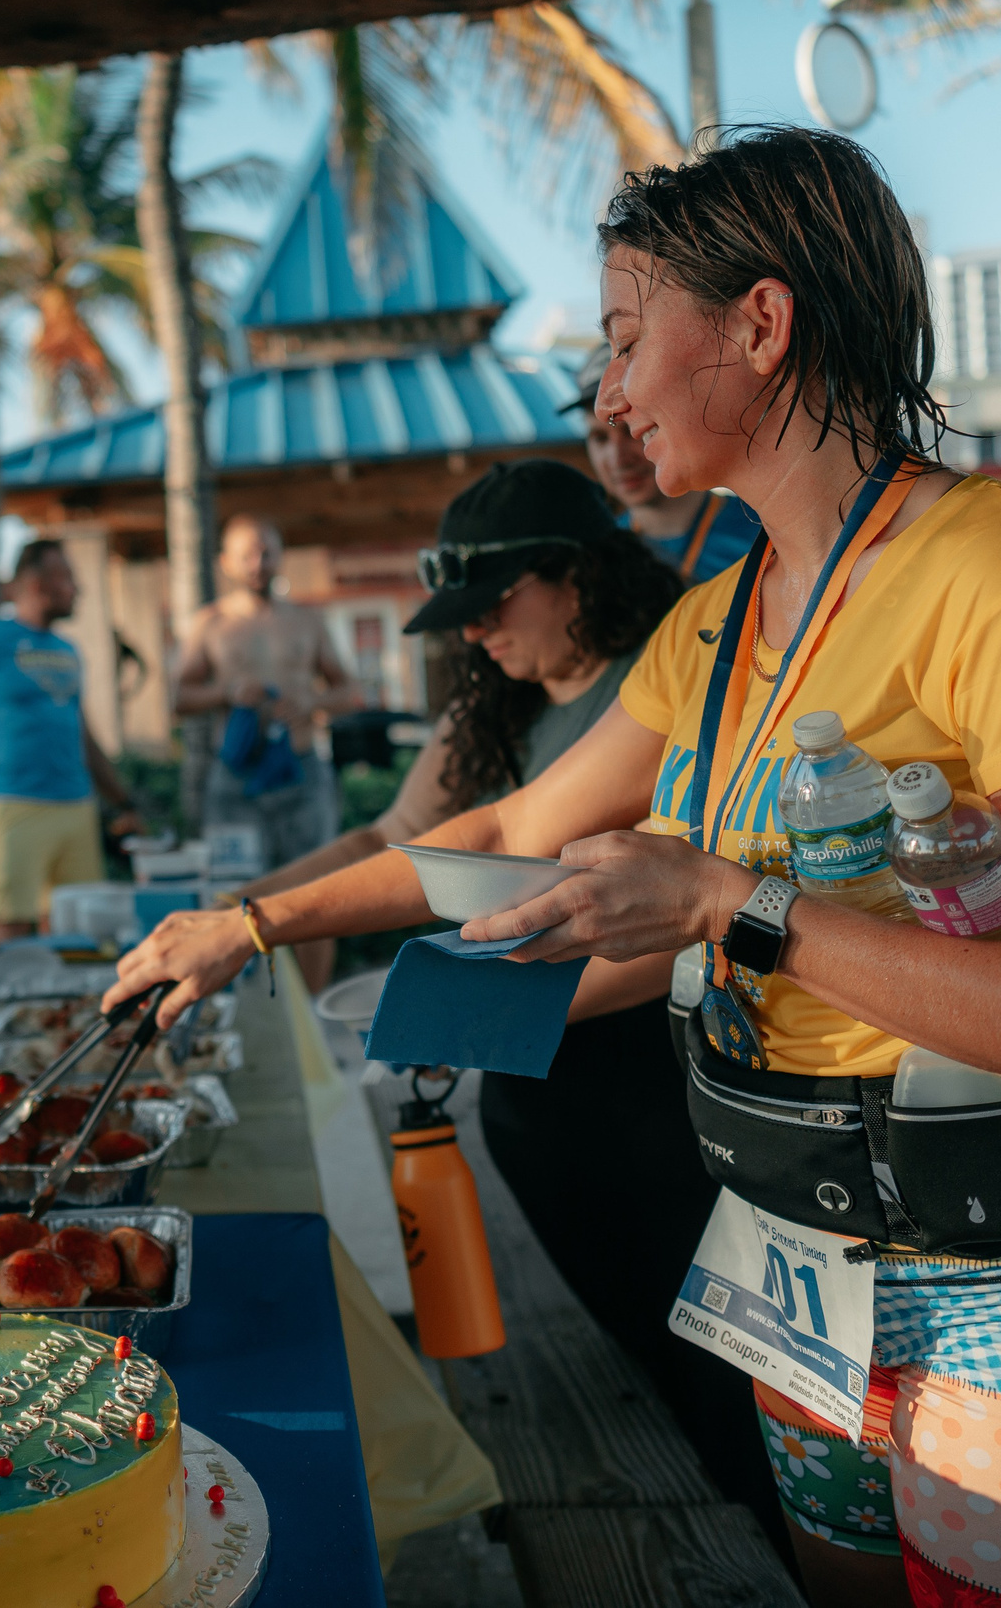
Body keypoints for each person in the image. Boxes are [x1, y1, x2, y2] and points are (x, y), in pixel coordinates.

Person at [112, 127, 1001, 1608]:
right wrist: (250, 924)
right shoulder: (714, 623)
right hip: (802, 1238)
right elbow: (503, 832)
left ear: (761, 325)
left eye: (628, 338)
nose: (612, 392)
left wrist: (734, 903)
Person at [234, 459, 792, 1546]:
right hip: (539, 1099)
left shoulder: (664, 677)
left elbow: (697, 916)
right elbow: (402, 840)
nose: (476, 632)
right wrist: (244, 912)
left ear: (576, 575)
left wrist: (468, 1005)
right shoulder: (493, 699)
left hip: (660, 1100)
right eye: (461, 615)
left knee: (726, 1395)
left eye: (495, 603)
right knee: (638, 1367)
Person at [0, 539, 143, 941]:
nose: (78, 589)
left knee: (79, 934)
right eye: (68, 578)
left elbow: (82, 736)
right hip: (15, 807)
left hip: (77, 807)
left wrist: (124, 802)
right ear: (37, 584)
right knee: (13, 932)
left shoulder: (69, 651)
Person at [173, 517, 359, 892]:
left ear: (280, 556)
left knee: (315, 891)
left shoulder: (307, 621)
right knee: (234, 892)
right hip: (235, 776)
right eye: (246, 556)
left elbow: (351, 693)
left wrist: (312, 700)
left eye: (266, 553)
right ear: (226, 562)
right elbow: (179, 698)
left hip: (301, 771)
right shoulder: (211, 623)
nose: (257, 564)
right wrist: (226, 693)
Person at [568, 344, 761, 582]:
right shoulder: (596, 557)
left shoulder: (763, 533)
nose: (618, 458)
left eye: (633, 430)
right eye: (600, 438)